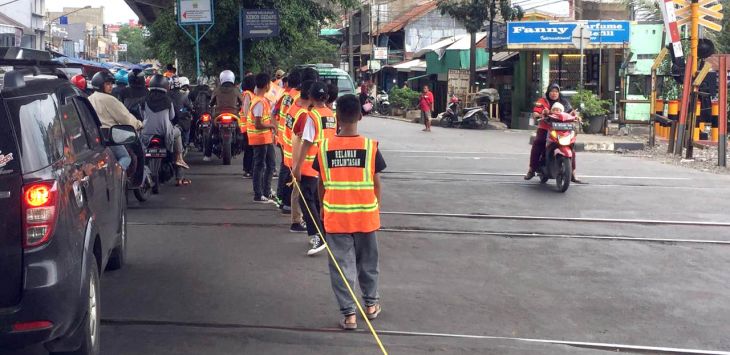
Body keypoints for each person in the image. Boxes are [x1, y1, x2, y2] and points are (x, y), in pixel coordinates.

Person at [314, 93, 385, 330]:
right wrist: (377, 209)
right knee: (368, 263)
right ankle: (371, 305)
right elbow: (376, 183)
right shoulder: (370, 147)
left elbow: (321, 184)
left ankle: (349, 315)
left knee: (342, 267)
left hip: (336, 218)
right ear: (360, 117)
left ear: (336, 117)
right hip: (366, 216)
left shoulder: (324, 148)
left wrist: (323, 210)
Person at [293, 80, 337, 256]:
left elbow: (307, 141)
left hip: (311, 165)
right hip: (327, 164)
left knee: (306, 200)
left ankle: (317, 234)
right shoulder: (331, 115)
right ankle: (326, 232)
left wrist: (297, 166)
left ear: (310, 97)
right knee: (320, 200)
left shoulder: (312, 116)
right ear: (326, 97)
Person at [524, 83, 581, 183]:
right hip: (545, 128)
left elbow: (571, 112)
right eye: (552, 91)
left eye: (556, 91)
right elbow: (536, 113)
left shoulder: (564, 102)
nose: (554, 94)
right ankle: (532, 169)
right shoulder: (542, 101)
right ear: (548, 92)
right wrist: (540, 114)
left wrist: (576, 116)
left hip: (562, 129)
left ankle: (573, 173)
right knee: (538, 143)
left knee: (571, 147)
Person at [141, 75, 191, 187]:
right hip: (165, 132)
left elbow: (142, 114)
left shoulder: (145, 99)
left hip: (147, 132)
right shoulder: (168, 100)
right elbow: (172, 116)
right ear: (165, 86)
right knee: (177, 133)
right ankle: (179, 160)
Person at [88, 71, 143, 171]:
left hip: (93, 138)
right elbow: (125, 118)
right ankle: (116, 174)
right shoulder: (109, 99)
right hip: (109, 137)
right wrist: (138, 124)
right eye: (107, 84)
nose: (111, 87)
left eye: (111, 84)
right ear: (100, 85)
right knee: (126, 158)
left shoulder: (89, 98)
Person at [281, 70, 308, 233]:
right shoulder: (303, 114)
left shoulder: (293, 106)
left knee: (296, 190)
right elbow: (303, 139)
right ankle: (297, 221)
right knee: (300, 192)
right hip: (298, 159)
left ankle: (296, 220)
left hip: (290, 153)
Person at [248, 73, 278, 203]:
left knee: (270, 164)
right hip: (259, 138)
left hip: (265, 138)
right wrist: (271, 126)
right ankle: (258, 194)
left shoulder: (262, 100)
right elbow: (258, 124)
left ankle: (266, 191)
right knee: (260, 166)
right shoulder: (259, 102)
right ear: (266, 85)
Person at [274, 70, 300, 214]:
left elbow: (275, 113)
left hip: (284, 136)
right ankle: (284, 200)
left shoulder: (286, 95)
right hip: (290, 139)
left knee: (285, 168)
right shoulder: (297, 98)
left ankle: (281, 198)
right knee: (288, 170)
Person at [206, 70, 243, 161]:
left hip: (219, 115)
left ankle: (207, 154)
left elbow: (211, 102)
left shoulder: (217, 89)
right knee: (240, 130)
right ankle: (243, 149)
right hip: (234, 114)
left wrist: (211, 105)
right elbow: (241, 102)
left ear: (221, 79)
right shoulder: (236, 89)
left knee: (211, 132)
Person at [168, 76, 194, 148]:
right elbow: (188, 107)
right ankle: (186, 142)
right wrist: (187, 110)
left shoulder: (166, 95)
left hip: (171, 120)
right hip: (181, 119)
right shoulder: (183, 95)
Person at [240, 75, 256, 176]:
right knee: (249, 149)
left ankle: (249, 169)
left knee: (250, 149)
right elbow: (246, 111)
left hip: (248, 126)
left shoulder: (249, 94)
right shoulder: (248, 94)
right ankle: (248, 169)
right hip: (247, 126)